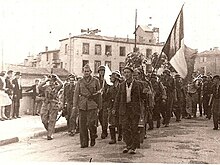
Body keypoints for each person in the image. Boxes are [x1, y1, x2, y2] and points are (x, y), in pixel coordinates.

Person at [113, 66, 143, 154]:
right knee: (125, 128)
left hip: (134, 109)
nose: (126, 74)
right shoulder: (122, 85)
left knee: (134, 127)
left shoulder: (138, 84)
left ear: (132, 74)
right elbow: (117, 98)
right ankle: (128, 145)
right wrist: (115, 108)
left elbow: (142, 97)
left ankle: (133, 147)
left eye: (128, 72)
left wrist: (145, 92)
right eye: (125, 72)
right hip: (124, 109)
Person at [73, 64, 101, 148]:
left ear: (91, 72)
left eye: (88, 71)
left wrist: (100, 106)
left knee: (91, 123)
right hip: (82, 105)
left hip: (92, 105)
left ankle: (93, 135)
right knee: (82, 125)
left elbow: (99, 94)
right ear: (83, 72)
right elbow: (76, 93)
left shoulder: (96, 81)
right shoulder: (80, 82)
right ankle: (84, 143)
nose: (86, 73)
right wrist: (75, 105)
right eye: (85, 71)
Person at [38, 74, 63, 140]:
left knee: (52, 120)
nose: (51, 82)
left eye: (52, 81)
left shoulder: (57, 87)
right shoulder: (46, 87)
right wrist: (46, 80)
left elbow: (61, 84)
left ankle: (50, 134)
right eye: (50, 81)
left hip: (54, 104)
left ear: (54, 81)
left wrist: (57, 77)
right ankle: (50, 129)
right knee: (44, 119)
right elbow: (39, 86)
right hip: (46, 104)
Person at [107, 71, 122, 144]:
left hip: (120, 106)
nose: (110, 78)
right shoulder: (110, 88)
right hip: (112, 107)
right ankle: (113, 138)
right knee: (112, 123)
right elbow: (108, 98)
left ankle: (120, 135)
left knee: (120, 122)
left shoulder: (121, 87)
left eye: (112, 77)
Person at [97, 65, 110, 139]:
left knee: (104, 117)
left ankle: (104, 131)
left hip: (105, 100)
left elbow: (110, 89)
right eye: (100, 71)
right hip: (98, 101)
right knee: (100, 117)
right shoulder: (97, 80)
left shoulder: (107, 80)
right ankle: (103, 127)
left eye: (103, 71)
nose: (102, 72)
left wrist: (105, 91)